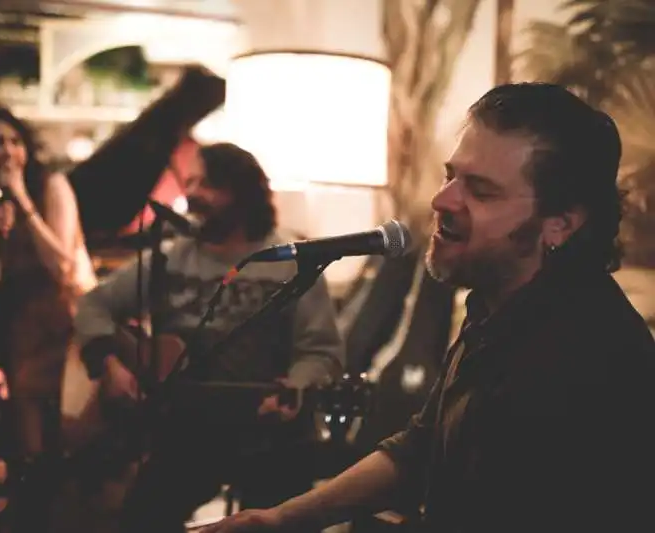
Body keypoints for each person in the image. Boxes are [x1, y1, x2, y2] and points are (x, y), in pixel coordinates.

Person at [203, 83, 655, 533]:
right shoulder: (501, 307)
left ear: (561, 223)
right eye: (449, 176)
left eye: (480, 191)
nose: (443, 200)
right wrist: (282, 518)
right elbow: (421, 447)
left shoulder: (582, 358)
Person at [74, 142, 345, 532]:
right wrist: (109, 366)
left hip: (268, 432)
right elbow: (92, 307)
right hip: (187, 430)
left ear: (242, 193)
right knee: (141, 519)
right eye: (191, 182)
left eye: (207, 184)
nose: (192, 194)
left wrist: (296, 386)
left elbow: (321, 351)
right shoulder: (170, 259)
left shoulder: (291, 263)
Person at [0, 107, 97, 459]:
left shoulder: (52, 186)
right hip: (23, 332)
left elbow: (62, 266)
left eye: (15, 141)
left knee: (70, 435)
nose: (8, 151)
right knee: (31, 445)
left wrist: (22, 200)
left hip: (68, 324)